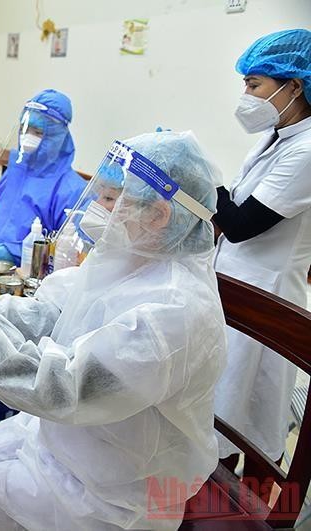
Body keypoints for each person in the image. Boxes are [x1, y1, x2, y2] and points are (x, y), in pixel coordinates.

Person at [0, 131, 227, 530]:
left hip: (114, 493)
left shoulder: (173, 311)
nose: (97, 209)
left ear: (158, 215)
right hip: (67, 446)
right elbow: (44, 315)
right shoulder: (125, 261)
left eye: (109, 199)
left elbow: (61, 388)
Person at [213, 29, 311, 482]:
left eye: (255, 85)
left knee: (249, 413)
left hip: (267, 298)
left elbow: (241, 225)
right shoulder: (277, 137)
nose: (246, 96)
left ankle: (248, 512)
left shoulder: (307, 151)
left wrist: (200, 171)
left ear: (294, 85)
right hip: (238, 285)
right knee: (223, 407)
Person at [0, 89, 86, 264]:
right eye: (24, 128)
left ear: (57, 136)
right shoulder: (14, 174)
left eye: (37, 131)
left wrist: (18, 252)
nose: (27, 137)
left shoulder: (72, 190)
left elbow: (70, 252)